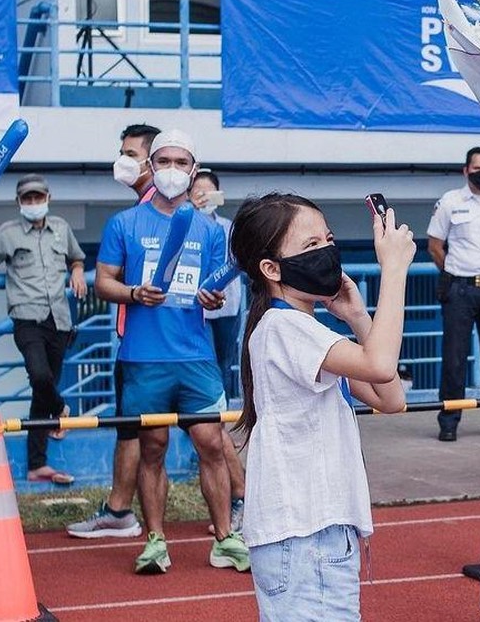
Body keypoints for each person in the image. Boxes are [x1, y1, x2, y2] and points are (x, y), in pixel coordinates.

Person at [230, 193, 413, 619]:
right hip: (305, 535)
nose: (327, 252)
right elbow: (380, 363)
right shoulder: (284, 327)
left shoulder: (304, 331)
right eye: (310, 246)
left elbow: (390, 396)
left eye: (327, 240)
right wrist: (395, 271)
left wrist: (356, 316)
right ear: (272, 269)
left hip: (318, 531)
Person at [94, 128, 250, 574]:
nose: (173, 171)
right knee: (153, 449)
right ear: (151, 166)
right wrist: (131, 293)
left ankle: (225, 539)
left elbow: (216, 287)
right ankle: (155, 541)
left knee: (212, 444)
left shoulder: (210, 229)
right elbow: (103, 282)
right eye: (164, 161)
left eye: (182, 163)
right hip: (143, 356)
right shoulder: (124, 223)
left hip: (195, 356)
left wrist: (213, 300)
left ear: (194, 171)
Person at [66, 122, 160, 539]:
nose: (121, 160)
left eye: (130, 153)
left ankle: (239, 502)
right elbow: (109, 280)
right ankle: (121, 511)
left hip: (170, 344)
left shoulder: (170, 210)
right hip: (137, 340)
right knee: (134, 430)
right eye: (120, 151)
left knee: (208, 434)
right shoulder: (131, 217)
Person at [0, 173, 87, 484]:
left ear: (48, 198)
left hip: (60, 319)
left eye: (38, 198)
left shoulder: (61, 228)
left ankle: (37, 465)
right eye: (28, 199)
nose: (34, 203)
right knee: (40, 376)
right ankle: (61, 408)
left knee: (39, 394)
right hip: (26, 318)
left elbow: (77, 258)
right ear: (19, 202)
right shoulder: (7, 233)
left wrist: (77, 272)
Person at [427, 146, 480, 439]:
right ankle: (449, 423)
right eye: (477, 168)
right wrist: (452, 271)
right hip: (460, 287)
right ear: (466, 170)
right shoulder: (450, 202)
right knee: (454, 359)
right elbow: (435, 245)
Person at [190, 170, 248, 534]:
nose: (203, 196)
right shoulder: (185, 224)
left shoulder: (228, 228)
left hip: (225, 313)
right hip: (191, 318)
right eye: (198, 191)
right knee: (207, 415)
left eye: (209, 192)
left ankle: (240, 497)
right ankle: (239, 495)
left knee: (214, 406)